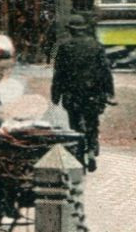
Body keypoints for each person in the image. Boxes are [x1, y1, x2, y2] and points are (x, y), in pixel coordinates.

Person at [49, 12, 116, 171]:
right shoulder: (96, 45)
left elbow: (59, 73)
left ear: (71, 30)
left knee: (74, 122)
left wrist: (56, 94)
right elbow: (105, 71)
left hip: (72, 93)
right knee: (92, 122)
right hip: (94, 92)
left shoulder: (64, 47)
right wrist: (109, 92)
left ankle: (79, 155)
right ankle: (92, 149)